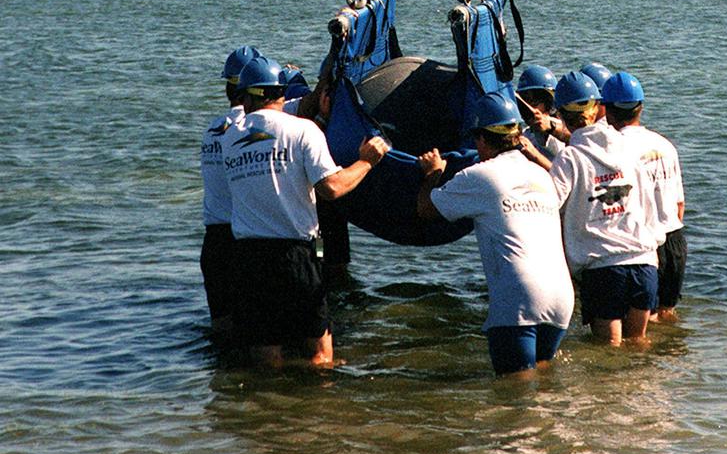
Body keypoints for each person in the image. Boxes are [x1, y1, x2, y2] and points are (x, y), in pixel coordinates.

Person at [222, 52, 390, 367]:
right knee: (320, 353)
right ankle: (314, 412)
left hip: (247, 258)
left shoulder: (231, 136)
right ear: (280, 93)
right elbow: (334, 188)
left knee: (266, 355)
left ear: (246, 96)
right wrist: (367, 160)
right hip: (292, 255)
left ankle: (272, 411)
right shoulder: (302, 131)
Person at [416, 92, 574, 378]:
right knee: (544, 385)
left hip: (519, 297)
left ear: (482, 139)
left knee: (515, 396)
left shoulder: (480, 175)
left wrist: (432, 173)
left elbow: (426, 210)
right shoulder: (542, 175)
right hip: (561, 297)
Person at [548, 72, 659, 345]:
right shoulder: (629, 147)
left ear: (561, 115)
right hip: (644, 262)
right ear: (599, 108)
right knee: (638, 345)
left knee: (608, 352)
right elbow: (647, 198)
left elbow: (548, 207)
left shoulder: (569, 158)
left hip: (603, 268)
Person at [600, 71, 686, 321]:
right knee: (666, 318)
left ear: (607, 110)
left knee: (636, 327)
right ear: (640, 107)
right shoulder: (665, 144)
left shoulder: (615, 147)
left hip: (643, 246)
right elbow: (680, 205)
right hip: (675, 241)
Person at [199, 44, 258, 331]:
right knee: (254, 330)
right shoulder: (248, 127)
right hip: (242, 240)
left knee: (221, 327)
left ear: (227, 87)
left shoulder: (211, 128)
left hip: (213, 242)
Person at [515, 64, 567, 156]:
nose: (528, 107)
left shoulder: (563, 129)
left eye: (533, 101)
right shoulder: (526, 135)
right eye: (524, 100)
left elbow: (575, 137)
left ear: (548, 102)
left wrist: (550, 126)